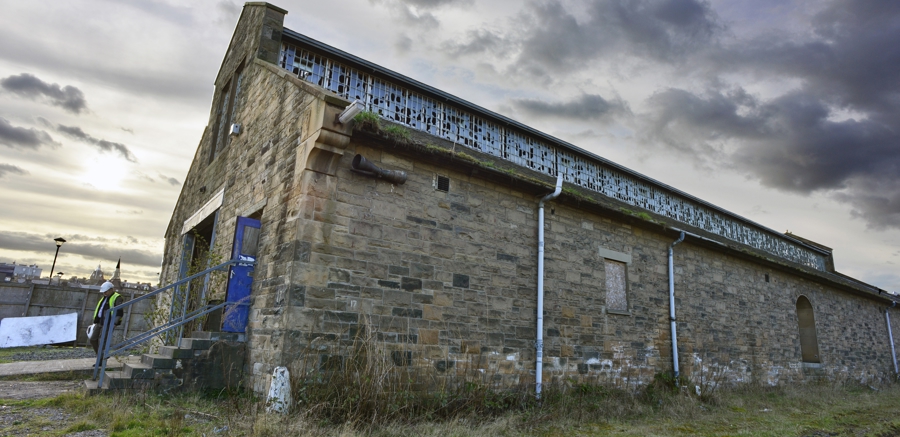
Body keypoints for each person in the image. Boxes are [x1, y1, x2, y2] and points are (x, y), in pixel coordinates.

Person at [90, 281, 123, 355]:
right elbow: (100, 309)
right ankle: (100, 355)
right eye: (103, 292)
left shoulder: (117, 297)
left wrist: (115, 323)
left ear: (111, 290)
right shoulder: (104, 298)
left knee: (103, 341)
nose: (104, 293)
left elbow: (119, 312)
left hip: (109, 323)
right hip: (99, 322)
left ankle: (101, 360)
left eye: (106, 291)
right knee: (93, 339)